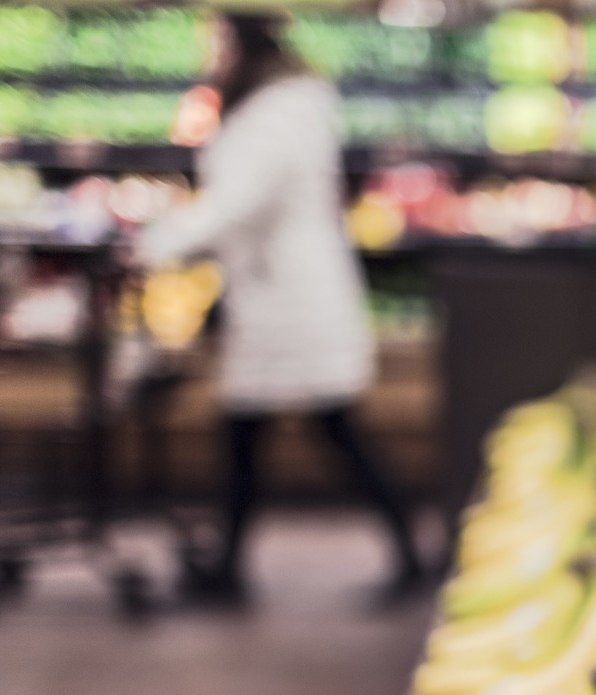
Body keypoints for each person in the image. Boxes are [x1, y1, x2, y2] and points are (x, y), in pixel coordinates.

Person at [136, 11, 425, 602]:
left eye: (216, 42)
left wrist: (158, 241)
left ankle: (404, 555)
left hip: (289, 298)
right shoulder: (286, 106)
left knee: (323, 429)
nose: (210, 55)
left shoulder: (277, 114)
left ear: (243, 45)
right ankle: (233, 568)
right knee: (255, 433)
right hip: (276, 292)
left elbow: (240, 203)